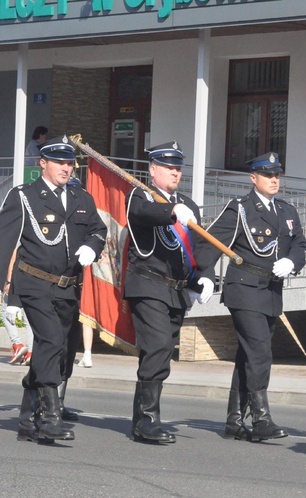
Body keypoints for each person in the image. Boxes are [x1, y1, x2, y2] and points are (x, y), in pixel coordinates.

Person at [195, 151, 306, 442]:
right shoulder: (240, 209)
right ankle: (261, 419)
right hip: (244, 290)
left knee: (248, 354)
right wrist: (204, 274)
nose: (274, 179)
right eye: (268, 175)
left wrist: (293, 262)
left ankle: (234, 421)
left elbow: (301, 245)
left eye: (277, 175)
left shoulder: (286, 211)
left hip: (270, 292)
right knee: (260, 352)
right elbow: (209, 242)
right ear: (253, 178)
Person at [0, 134, 106, 443]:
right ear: (42, 163)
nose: (66, 167)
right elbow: (5, 243)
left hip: (68, 288)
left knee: (60, 351)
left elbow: (98, 230)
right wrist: (9, 295)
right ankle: (48, 417)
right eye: (59, 162)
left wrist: (92, 247)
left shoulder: (80, 199)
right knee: (49, 342)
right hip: (34, 283)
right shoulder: (24, 196)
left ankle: (25, 417)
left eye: (70, 162)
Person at [124, 140, 214, 444]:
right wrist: (172, 211)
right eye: (168, 167)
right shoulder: (140, 195)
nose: (175, 173)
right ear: (153, 170)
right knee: (159, 345)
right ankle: (148, 419)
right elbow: (143, 213)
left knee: (159, 351)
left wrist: (205, 277)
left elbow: (199, 246)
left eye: (178, 168)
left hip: (175, 291)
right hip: (147, 285)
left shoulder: (187, 204)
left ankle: (141, 418)